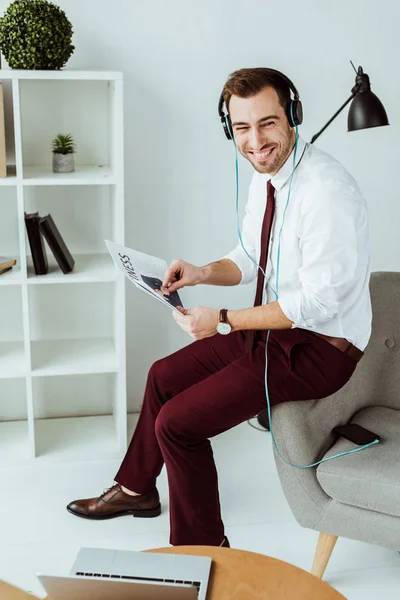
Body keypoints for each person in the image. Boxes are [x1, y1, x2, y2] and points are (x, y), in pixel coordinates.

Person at [67, 67, 372, 549]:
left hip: (319, 350)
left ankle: (203, 548)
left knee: (179, 425)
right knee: (162, 376)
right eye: (242, 128)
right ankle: (136, 490)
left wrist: (223, 322)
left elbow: (313, 305)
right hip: (277, 332)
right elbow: (249, 257)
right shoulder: (268, 176)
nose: (255, 141)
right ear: (229, 127)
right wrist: (201, 272)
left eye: (268, 123)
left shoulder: (326, 193)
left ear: (293, 116)